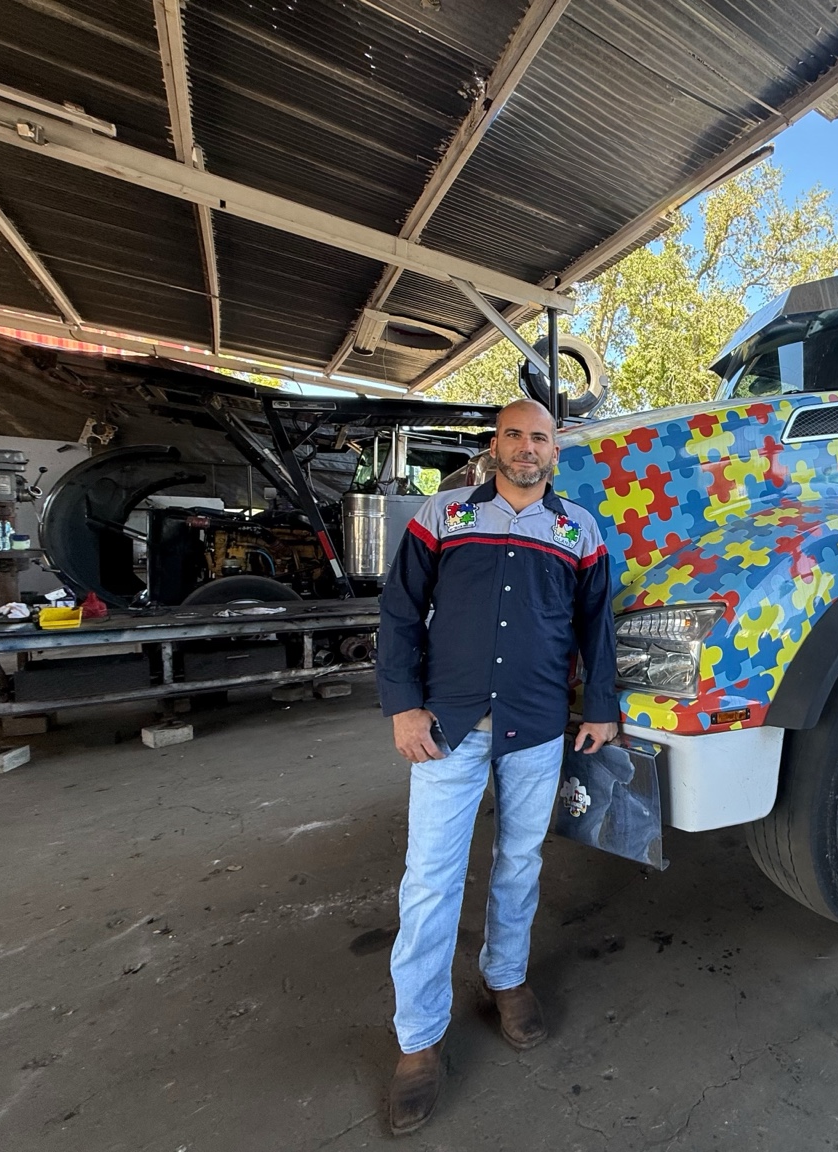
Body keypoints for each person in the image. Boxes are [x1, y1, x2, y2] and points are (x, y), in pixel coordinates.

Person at [376, 398, 619, 1135]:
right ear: (495, 444)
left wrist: (600, 705)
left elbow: (596, 624)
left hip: (538, 725)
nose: (526, 447)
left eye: (539, 437)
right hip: (447, 727)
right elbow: (398, 609)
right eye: (514, 434)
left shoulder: (579, 529)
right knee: (429, 880)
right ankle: (418, 1041)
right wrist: (402, 705)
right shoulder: (442, 515)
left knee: (519, 862)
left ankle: (505, 979)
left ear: (555, 450)